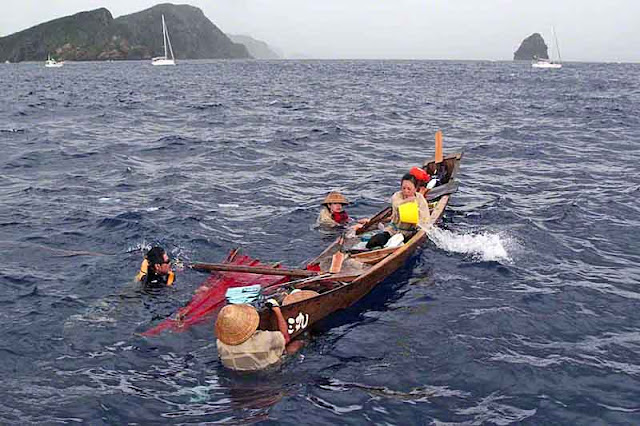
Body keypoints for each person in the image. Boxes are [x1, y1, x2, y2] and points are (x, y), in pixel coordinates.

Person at [215, 299, 305, 372]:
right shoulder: (263, 338)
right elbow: (286, 338)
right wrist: (277, 310)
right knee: (298, 343)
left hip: (236, 370)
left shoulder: (220, 342)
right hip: (268, 369)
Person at [366, 173, 430, 249]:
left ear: (415, 189)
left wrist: (416, 211)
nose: (406, 191)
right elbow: (396, 205)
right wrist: (407, 201)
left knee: (395, 245)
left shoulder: (420, 199)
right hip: (394, 230)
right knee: (373, 242)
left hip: (410, 233)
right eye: (403, 188)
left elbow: (425, 218)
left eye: (409, 189)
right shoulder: (397, 195)